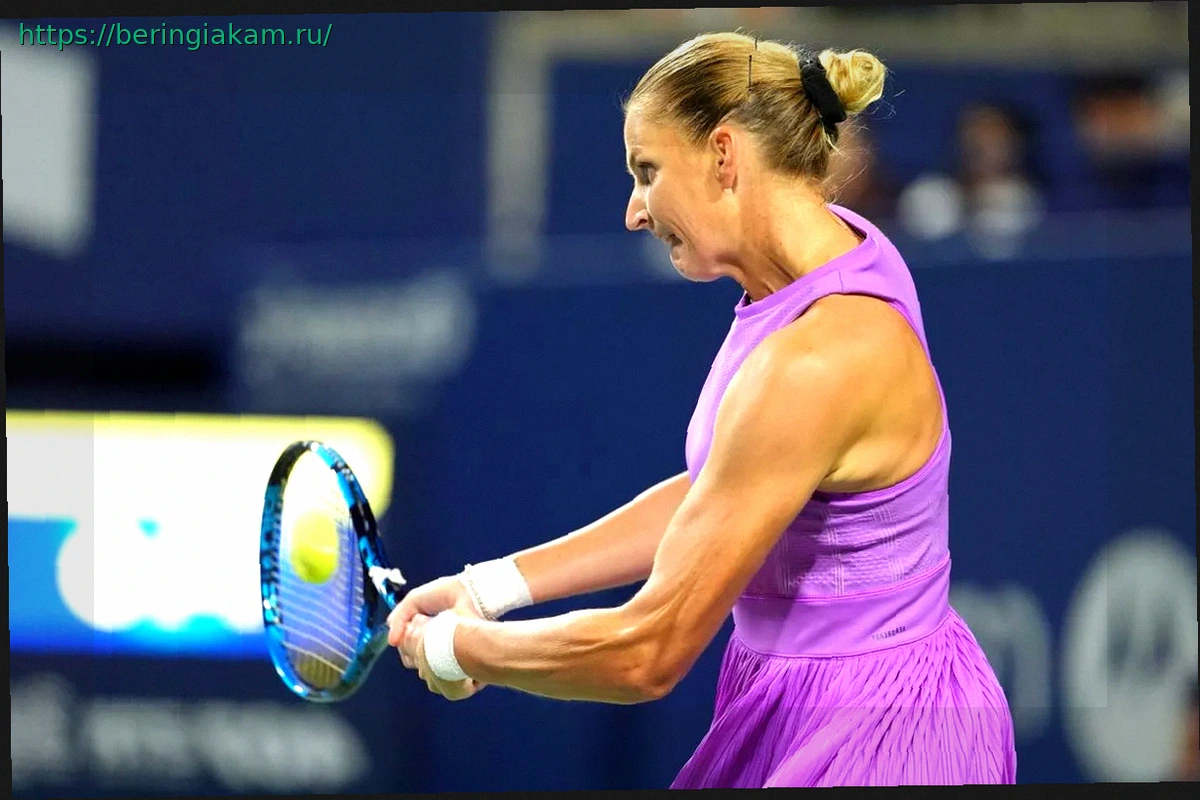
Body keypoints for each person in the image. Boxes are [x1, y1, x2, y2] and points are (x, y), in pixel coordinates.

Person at [388, 31, 1016, 787]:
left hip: (885, 733)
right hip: (811, 700)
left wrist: (461, 647)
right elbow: (726, 490)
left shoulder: (819, 357)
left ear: (723, 154)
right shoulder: (832, 262)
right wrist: (490, 588)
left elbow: (645, 653)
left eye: (646, 172)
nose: (634, 211)